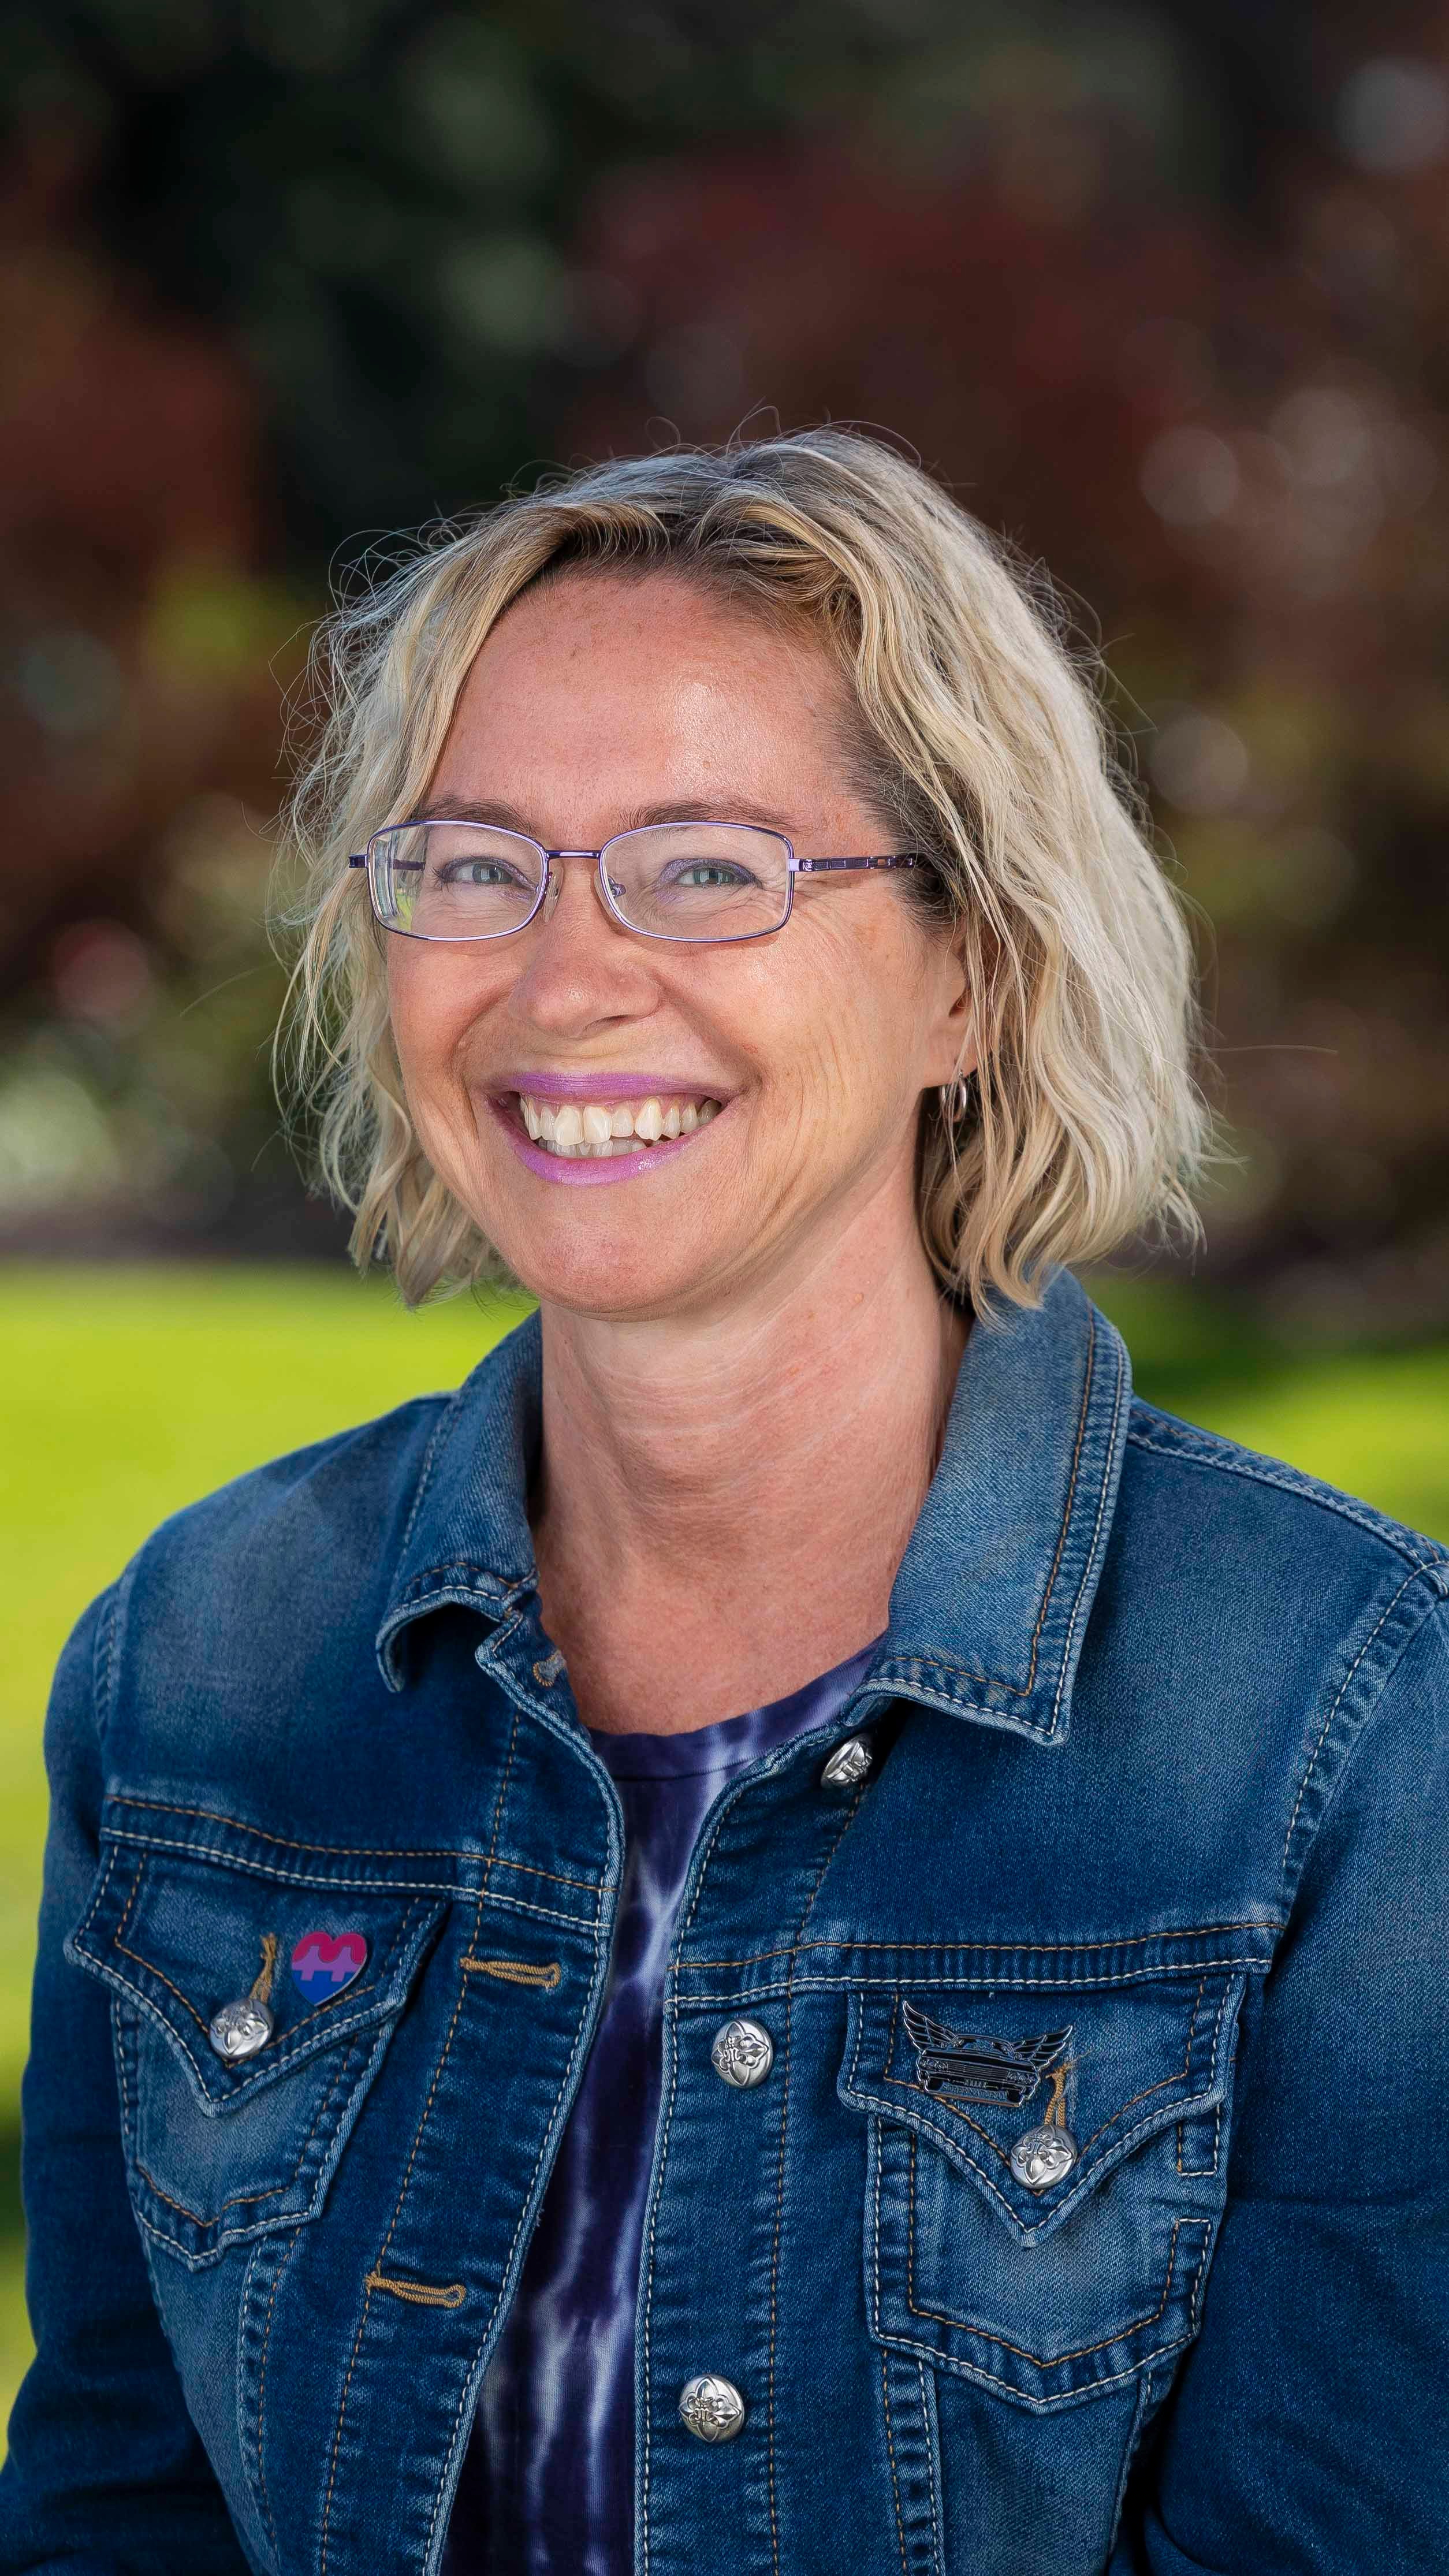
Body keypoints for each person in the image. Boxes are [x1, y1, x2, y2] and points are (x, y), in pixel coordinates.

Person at [2, 430, 1445, 2576]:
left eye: (706, 867)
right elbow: (117, 2511)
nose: (566, 974)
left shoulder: (1336, 1719)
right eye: (479, 863)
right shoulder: (203, 1659)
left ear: (972, 967)